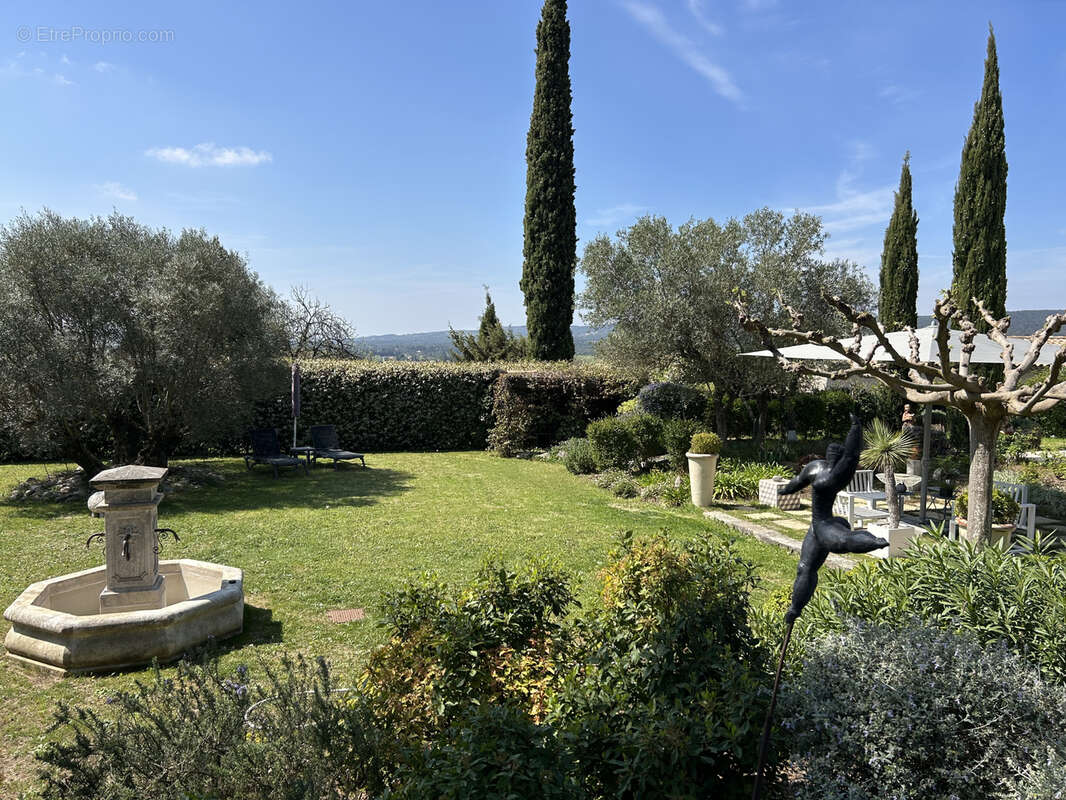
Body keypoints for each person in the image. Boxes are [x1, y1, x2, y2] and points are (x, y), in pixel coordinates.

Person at [778, 413, 888, 623]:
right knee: (805, 568)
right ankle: (794, 609)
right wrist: (785, 490)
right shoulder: (817, 469)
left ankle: (875, 542)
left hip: (826, 526)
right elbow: (798, 481)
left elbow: (851, 456)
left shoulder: (832, 475)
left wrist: (856, 427)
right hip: (818, 527)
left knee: (842, 541)